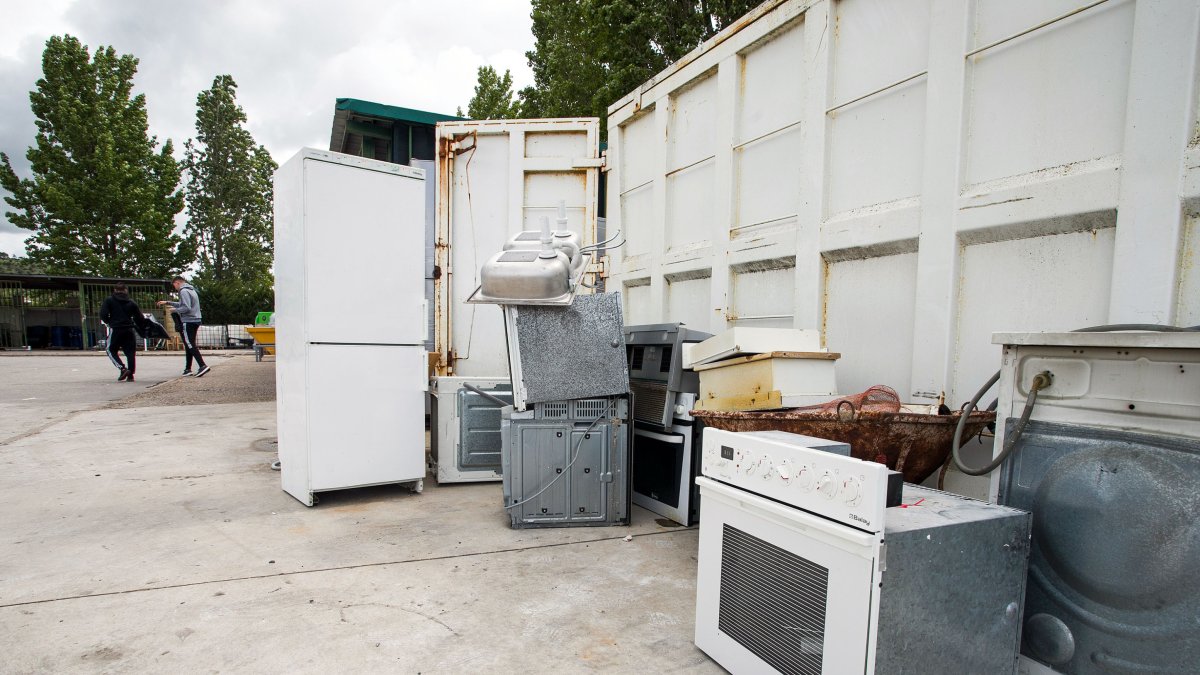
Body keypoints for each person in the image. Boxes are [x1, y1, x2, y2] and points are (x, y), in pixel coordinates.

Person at [158, 275, 211, 377]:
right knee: (188, 345)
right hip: (196, 319)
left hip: (188, 320)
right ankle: (188, 369)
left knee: (190, 344)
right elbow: (183, 304)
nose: (175, 288)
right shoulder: (191, 290)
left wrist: (175, 310)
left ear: (177, 283)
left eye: (174, 286)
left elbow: (186, 307)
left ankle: (202, 365)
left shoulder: (183, 291)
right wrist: (168, 302)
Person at [100, 283, 143, 383]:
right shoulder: (131, 302)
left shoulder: (109, 300)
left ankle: (122, 369)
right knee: (130, 352)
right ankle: (131, 375)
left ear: (115, 290)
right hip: (129, 329)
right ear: (126, 290)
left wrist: (109, 322)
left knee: (110, 350)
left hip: (115, 329)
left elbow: (103, 314)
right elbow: (139, 317)